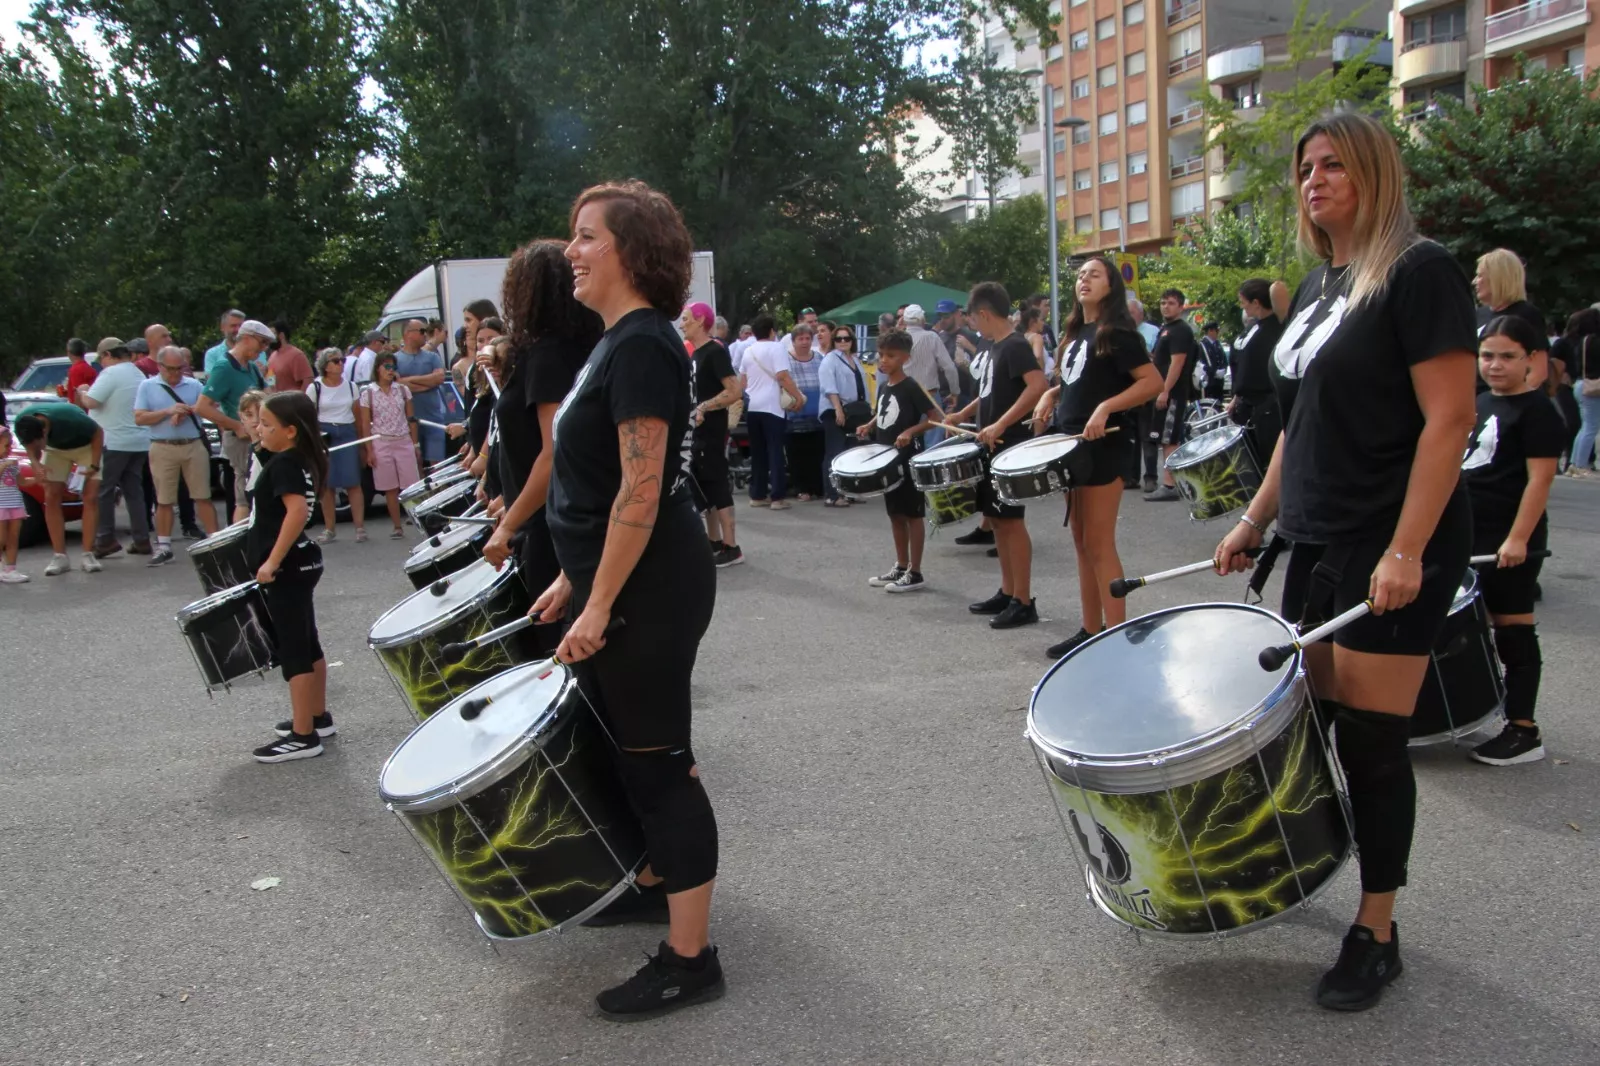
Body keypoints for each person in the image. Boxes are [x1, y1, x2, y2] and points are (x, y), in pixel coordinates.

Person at [1213, 112, 1478, 1011]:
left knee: (1370, 743)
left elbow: (1451, 419)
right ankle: (1300, 873)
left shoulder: (1420, 270)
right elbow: (1300, 423)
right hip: (1318, 536)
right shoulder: (1325, 282)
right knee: (1303, 728)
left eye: (1333, 165)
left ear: (1373, 173)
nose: (1313, 179)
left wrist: (1407, 549)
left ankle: (1376, 928)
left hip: (1391, 542)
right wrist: (1256, 517)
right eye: (1304, 168)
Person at [534, 179, 722, 1019]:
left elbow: (642, 495)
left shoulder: (644, 344)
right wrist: (574, 577)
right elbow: (604, 483)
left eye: (586, 237)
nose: (570, 251)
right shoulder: (616, 343)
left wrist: (600, 601)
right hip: (620, 579)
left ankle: (692, 957)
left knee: (660, 767)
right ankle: (653, 879)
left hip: (651, 589)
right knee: (623, 754)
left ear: (632, 252)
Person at [1033, 256, 1162, 659]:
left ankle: (1116, 635)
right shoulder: (1076, 333)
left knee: (1099, 543)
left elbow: (1152, 383)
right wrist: (1050, 394)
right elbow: (1076, 382)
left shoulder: (1118, 333)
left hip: (1105, 446)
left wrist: (1106, 408)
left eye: (1094, 274)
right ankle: (1090, 629)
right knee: (1080, 540)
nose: (1084, 279)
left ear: (1111, 286)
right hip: (1073, 447)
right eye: (1080, 274)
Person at [481, 239, 605, 624]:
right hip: (555, 515)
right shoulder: (577, 345)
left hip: (553, 527)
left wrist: (510, 524)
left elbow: (554, 454)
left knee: (550, 652)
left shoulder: (549, 355)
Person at [1461, 316, 1563, 766]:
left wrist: (1517, 538)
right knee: (1460, 628)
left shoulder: (1539, 412)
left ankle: (1524, 729)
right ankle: (1460, 711)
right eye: (1487, 356)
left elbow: (1538, 482)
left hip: (1509, 539)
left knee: (1513, 630)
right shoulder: (1479, 401)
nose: (1495, 365)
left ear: (1530, 360)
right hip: (1467, 533)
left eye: (1507, 356)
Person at [949, 282, 1048, 629]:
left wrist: (1002, 424)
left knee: (1011, 522)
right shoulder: (994, 347)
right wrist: (964, 415)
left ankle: (1023, 600)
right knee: (999, 522)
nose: (974, 325)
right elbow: (993, 391)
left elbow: (1038, 387)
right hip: (990, 443)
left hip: (1008, 445)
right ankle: (1008, 592)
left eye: (975, 318)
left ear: (985, 314)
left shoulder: (1016, 345)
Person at [248, 392, 332, 763]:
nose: (258, 428)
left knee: (294, 650)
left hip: (288, 566)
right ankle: (317, 716)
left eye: (267, 424)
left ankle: (303, 735)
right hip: (303, 562)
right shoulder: (297, 459)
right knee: (307, 641)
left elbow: (296, 512)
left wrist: (271, 561)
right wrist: (263, 445)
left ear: (291, 431)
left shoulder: (285, 464)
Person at [854, 329, 942, 591]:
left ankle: (915, 572)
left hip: (907, 457)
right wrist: (869, 425)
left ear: (905, 357)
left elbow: (936, 418)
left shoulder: (912, 386)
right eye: (881, 355)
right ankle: (901, 565)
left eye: (890, 356)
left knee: (913, 515)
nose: (883, 360)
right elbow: (882, 411)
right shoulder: (883, 386)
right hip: (887, 459)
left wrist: (910, 431)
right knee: (895, 514)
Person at [135, 345, 219, 565]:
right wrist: (167, 412)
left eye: (179, 368)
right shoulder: (147, 386)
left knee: (202, 496)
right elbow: (140, 418)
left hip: (192, 444)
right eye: (170, 369)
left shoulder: (193, 385)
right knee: (164, 499)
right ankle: (163, 547)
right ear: (160, 366)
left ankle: (215, 542)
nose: (174, 374)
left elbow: (207, 407)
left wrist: (185, 410)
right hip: (162, 446)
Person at [681, 300, 744, 563]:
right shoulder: (695, 354)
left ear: (699, 320)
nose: (682, 323)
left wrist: (705, 407)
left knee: (716, 483)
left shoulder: (715, 352)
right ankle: (714, 541)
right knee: (703, 484)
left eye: (686, 319)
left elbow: (734, 391)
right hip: (698, 431)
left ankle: (732, 546)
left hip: (713, 431)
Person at [78, 337, 152, 557]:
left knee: (104, 491)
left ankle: (105, 539)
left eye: (101, 358)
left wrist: (82, 391)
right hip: (138, 440)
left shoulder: (111, 373)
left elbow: (92, 401)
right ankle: (142, 538)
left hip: (112, 440)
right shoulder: (137, 373)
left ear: (108, 355)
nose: (101, 363)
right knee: (133, 491)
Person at [13, 400, 103, 575]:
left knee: (90, 497)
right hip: (55, 450)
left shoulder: (70, 419)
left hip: (85, 446)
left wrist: (94, 465)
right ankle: (60, 556)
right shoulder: (23, 423)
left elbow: (98, 433)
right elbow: (30, 446)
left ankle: (88, 554)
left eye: (39, 443)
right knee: (51, 496)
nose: (37, 446)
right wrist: (36, 463)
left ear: (45, 432)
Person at [196, 319, 271, 523]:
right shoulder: (224, 367)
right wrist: (236, 425)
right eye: (262, 343)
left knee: (259, 491)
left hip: (258, 437)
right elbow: (202, 406)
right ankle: (241, 545)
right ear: (246, 339)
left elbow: (267, 395)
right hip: (240, 440)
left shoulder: (251, 367)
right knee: (244, 496)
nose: (264, 349)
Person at [741, 314, 806, 509]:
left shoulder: (748, 350)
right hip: (772, 407)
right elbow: (782, 376)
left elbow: (742, 381)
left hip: (752, 406)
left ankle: (757, 494)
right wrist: (798, 397)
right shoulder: (777, 348)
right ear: (772, 331)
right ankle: (777, 496)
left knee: (758, 451)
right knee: (775, 450)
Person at [307, 347, 367, 543]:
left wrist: (362, 445)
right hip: (325, 434)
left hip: (347, 431)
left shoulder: (351, 386)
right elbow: (309, 416)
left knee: (353, 483)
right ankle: (329, 529)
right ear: (325, 366)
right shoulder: (315, 387)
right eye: (335, 361)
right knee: (327, 485)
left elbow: (358, 416)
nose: (341, 364)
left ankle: (359, 527)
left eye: (342, 360)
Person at [357, 354, 420, 539]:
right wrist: (369, 450)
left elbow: (412, 420)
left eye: (393, 367)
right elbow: (365, 423)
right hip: (381, 442)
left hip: (403, 439)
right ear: (378, 368)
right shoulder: (368, 393)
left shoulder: (402, 390)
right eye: (387, 366)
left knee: (411, 486)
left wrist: (415, 444)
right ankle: (397, 526)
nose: (390, 371)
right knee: (389, 487)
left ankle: (417, 521)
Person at [1230, 278, 1291, 468]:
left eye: (1244, 302)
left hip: (1267, 404)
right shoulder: (1252, 329)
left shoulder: (1278, 327)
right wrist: (1236, 397)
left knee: (1268, 460)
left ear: (1256, 302)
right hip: (1246, 404)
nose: (1242, 307)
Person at [1144, 288, 1196, 502]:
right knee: (1165, 438)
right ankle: (1174, 482)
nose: (1166, 306)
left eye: (1171, 303)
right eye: (1163, 302)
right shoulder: (1165, 329)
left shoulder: (1181, 330)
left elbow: (1178, 362)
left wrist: (1165, 390)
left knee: (1170, 439)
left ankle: (1169, 484)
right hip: (1161, 391)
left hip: (1172, 393)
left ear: (1181, 306)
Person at [819, 323, 868, 509]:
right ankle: (832, 494)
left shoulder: (854, 359)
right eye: (838, 338)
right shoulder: (830, 359)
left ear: (852, 341)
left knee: (852, 451)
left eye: (846, 338)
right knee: (834, 451)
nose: (842, 342)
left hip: (854, 410)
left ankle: (850, 491)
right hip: (835, 410)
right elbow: (828, 386)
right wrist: (837, 408)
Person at [394, 318, 449, 463]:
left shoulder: (432, 357)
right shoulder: (395, 360)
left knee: (437, 463)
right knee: (414, 463)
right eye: (422, 331)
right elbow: (398, 387)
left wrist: (408, 381)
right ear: (408, 334)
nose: (426, 334)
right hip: (408, 422)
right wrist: (428, 382)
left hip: (434, 419)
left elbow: (439, 378)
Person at [783, 322, 826, 502]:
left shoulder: (819, 357)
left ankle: (817, 487)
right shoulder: (786, 359)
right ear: (793, 341)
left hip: (817, 412)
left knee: (817, 451)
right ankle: (802, 488)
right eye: (800, 338)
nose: (805, 342)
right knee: (797, 453)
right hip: (795, 413)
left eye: (808, 338)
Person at [1125, 297, 1160, 490]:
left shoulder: (1153, 332)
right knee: (1131, 437)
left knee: (1148, 436)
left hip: (1147, 391)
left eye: (1132, 313)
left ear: (1140, 313)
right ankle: (1131, 476)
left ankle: (1151, 476)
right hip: (1128, 390)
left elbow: (1159, 358)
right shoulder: (1122, 333)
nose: (1129, 317)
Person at [1562, 308, 1600, 476]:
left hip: (1581, 384)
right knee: (1591, 426)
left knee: (1585, 425)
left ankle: (1574, 463)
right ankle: (1581, 464)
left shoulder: (1581, 342)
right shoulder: (1595, 341)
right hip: (1593, 385)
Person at [0, 425, 31, 582]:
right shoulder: (6, 464)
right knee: (1, 538)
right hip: (0, 507)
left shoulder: (12, 464)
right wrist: (4, 465)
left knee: (13, 537)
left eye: (10, 444)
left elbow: (22, 482)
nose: (9, 448)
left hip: (15, 504)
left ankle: (10, 569)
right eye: (6, 445)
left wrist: (38, 479)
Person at [266, 320, 313, 394]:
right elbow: (270, 381)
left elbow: (308, 380)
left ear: (281, 335)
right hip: (276, 403)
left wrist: (299, 400)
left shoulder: (297, 355)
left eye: (272, 334)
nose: (269, 338)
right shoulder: (272, 356)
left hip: (293, 403)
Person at [60, 337, 97, 408]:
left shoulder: (76, 370)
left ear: (69, 352)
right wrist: (68, 393)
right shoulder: (90, 369)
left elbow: (78, 395)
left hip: (81, 412)